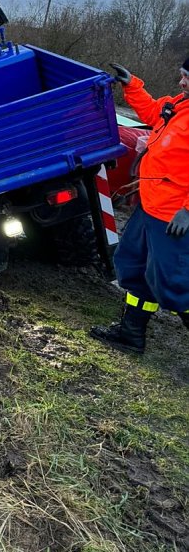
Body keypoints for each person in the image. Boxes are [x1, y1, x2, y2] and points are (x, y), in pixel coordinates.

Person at [90, 56, 189, 353]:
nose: (181, 81)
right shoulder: (179, 106)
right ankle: (131, 334)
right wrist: (132, 85)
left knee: (174, 286)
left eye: (187, 77)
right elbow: (152, 111)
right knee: (133, 268)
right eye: (182, 74)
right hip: (150, 205)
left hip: (173, 216)